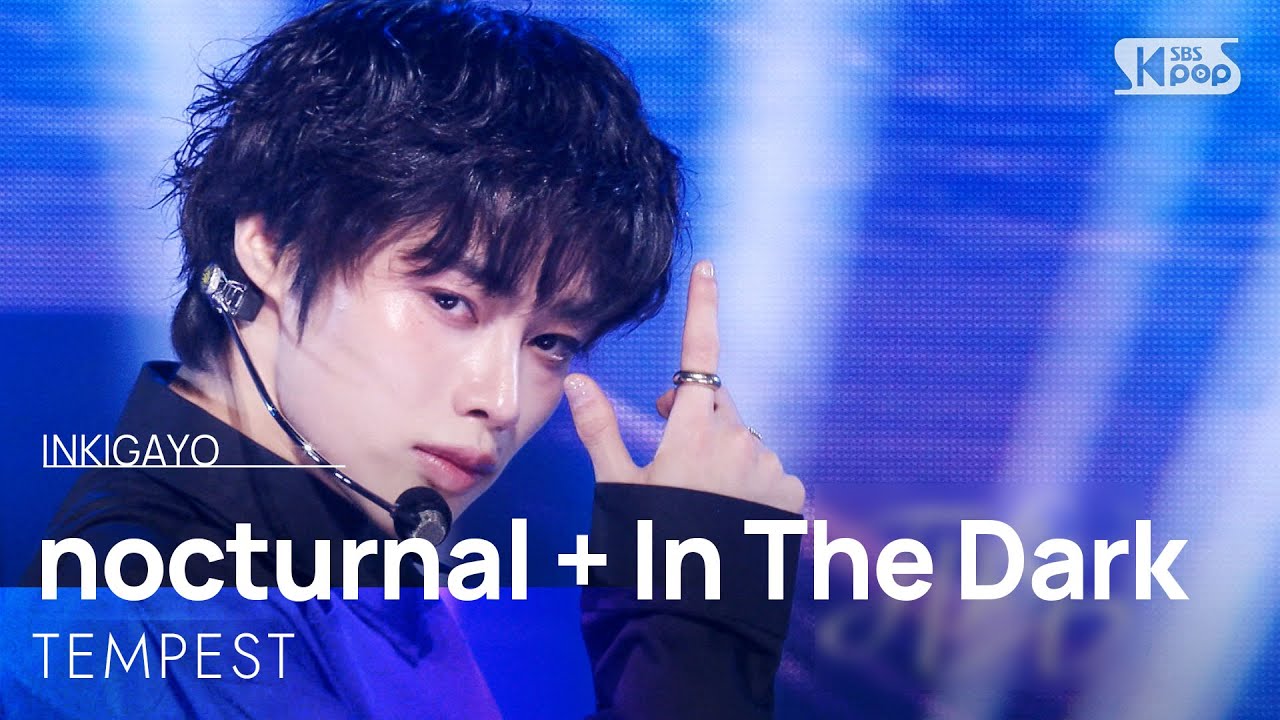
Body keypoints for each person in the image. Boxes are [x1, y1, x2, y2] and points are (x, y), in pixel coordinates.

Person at [19, 1, 805, 717]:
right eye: (451, 301)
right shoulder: (149, 619)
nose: (501, 399)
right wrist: (693, 637)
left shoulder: (350, 554)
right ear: (272, 248)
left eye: (550, 342)